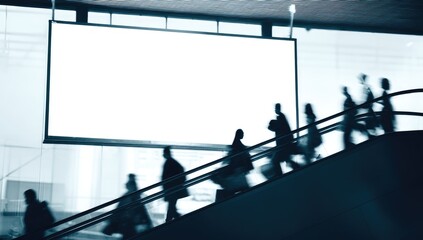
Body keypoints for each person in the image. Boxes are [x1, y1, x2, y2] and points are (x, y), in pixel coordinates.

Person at [103, 174, 152, 239]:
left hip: (128, 221)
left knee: (128, 234)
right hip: (129, 221)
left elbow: (121, 208)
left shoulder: (129, 195)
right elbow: (141, 208)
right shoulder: (134, 194)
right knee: (130, 234)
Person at [213, 129, 253, 201]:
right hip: (238, 173)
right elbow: (245, 161)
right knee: (244, 190)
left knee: (230, 191)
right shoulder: (241, 148)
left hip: (235, 173)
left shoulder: (234, 147)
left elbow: (229, 161)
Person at [268, 103, 299, 178]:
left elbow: (279, 129)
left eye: (276, 108)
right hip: (285, 143)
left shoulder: (280, 118)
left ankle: (279, 174)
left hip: (284, 144)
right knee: (286, 159)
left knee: (276, 160)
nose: (275, 110)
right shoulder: (281, 117)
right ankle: (296, 167)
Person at [161, 146, 189, 222]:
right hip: (173, 188)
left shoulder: (169, 162)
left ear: (166, 153)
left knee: (171, 205)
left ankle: (168, 221)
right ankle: (176, 219)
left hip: (172, 188)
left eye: (163, 153)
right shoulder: (172, 162)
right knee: (172, 205)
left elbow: (166, 177)